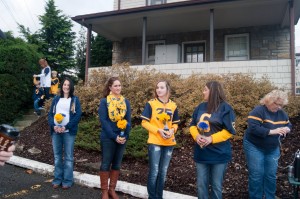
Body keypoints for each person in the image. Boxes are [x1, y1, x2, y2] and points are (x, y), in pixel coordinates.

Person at [189, 81, 236, 199]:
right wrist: (196, 136)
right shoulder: (200, 107)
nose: (203, 92)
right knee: (201, 185)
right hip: (201, 153)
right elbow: (193, 125)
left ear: (213, 91)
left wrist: (211, 138)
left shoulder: (226, 108)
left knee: (216, 186)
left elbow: (229, 131)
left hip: (219, 154)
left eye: (205, 89)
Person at [243, 90, 291, 199]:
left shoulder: (282, 113)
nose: (279, 107)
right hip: (254, 146)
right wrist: (273, 131)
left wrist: (287, 128)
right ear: (269, 101)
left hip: (272, 148)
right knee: (256, 175)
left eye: (281, 105)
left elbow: (288, 124)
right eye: (277, 104)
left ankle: (270, 196)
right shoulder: (258, 111)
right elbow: (253, 128)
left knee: (271, 175)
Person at [140, 80, 180, 199]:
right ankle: (152, 197)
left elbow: (175, 124)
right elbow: (144, 123)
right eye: (157, 87)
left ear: (167, 89)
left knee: (163, 172)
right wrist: (158, 131)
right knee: (154, 171)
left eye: (161, 87)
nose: (158, 90)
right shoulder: (151, 104)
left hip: (169, 142)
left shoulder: (173, 105)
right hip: (155, 142)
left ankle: (159, 196)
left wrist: (172, 131)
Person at [98, 77, 131, 199]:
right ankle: (104, 191)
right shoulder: (104, 101)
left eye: (119, 85)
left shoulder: (125, 102)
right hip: (108, 137)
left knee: (117, 164)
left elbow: (128, 121)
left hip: (122, 138)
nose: (118, 88)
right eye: (115, 85)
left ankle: (112, 189)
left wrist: (125, 136)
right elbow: (104, 121)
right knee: (106, 164)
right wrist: (114, 136)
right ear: (110, 87)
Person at [48, 77, 82, 190]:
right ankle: (57, 179)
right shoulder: (56, 99)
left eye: (68, 85)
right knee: (57, 157)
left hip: (68, 132)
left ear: (71, 87)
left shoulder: (75, 100)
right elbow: (50, 115)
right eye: (64, 84)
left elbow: (77, 116)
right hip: (56, 132)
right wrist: (54, 126)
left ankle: (67, 180)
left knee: (68, 157)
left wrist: (65, 127)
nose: (66, 86)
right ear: (61, 86)